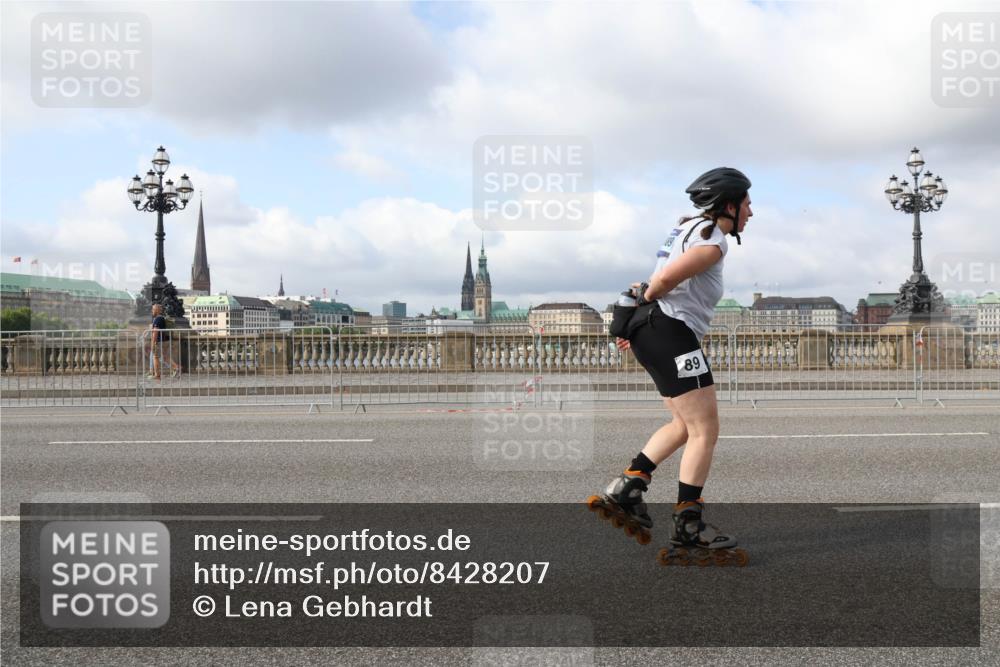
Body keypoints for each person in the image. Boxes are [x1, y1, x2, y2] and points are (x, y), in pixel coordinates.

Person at [588, 167, 752, 560]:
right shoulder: (712, 241)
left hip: (654, 331)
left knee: (683, 424)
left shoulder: (684, 228)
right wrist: (650, 296)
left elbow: (652, 282)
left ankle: (629, 487)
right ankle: (688, 525)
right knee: (704, 430)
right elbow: (659, 283)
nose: (750, 212)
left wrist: (636, 318)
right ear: (728, 205)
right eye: (747, 204)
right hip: (671, 331)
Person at [150, 303, 180, 380]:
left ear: (157, 310)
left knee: (155, 357)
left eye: (153, 309)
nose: (152, 311)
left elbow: (155, 332)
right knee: (165, 357)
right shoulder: (161, 318)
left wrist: (153, 343)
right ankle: (176, 368)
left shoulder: (157, 319)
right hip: (164, 341)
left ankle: (157, 375)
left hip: (159, 342)